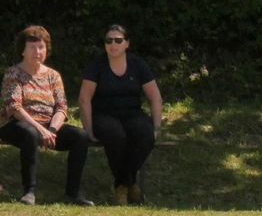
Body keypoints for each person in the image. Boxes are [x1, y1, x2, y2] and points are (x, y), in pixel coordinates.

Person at [0, 26, 94, 206]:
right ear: (22, 50)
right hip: (15, 124)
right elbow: (15, 107)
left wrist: (51, 130)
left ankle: (73, 194)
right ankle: (29, 191)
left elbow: (62, 107)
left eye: (41, 47)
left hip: (48, 126)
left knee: (80, 136)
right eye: (32, 47)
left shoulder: (53, 75)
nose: (38, 52)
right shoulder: (13, 73)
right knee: (31, 134)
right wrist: (41, 130)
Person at [78, 25, 163, 205]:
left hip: (132, 113)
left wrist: (156, 127)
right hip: (103, 114)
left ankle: (122, 184)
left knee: (145, 134)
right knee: (115, 135)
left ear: (127, 44)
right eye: (109, 41)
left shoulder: (137, 64)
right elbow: (84, 99)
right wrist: (89, 130)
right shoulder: (97, 66)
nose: (113, 44)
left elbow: (155, 97)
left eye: (118, 40)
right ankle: (130, 184)